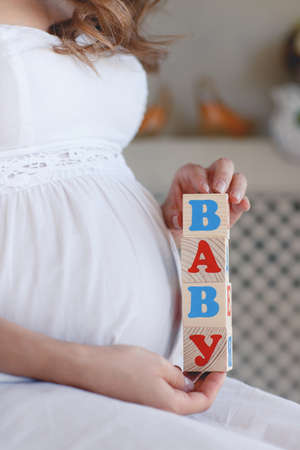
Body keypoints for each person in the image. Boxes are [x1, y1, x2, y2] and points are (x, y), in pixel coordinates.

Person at [0, 1, 299, 449]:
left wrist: (169, 227)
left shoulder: (82, 18)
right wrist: (85, 365)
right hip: (31, 386)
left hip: (150, 381)